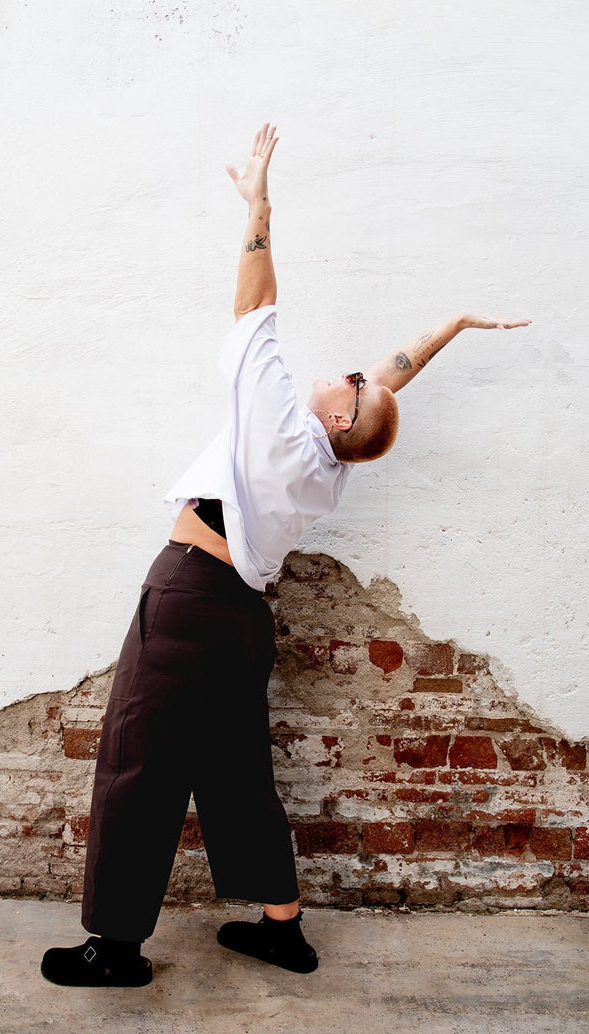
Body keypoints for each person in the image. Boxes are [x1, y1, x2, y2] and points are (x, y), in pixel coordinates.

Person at [41, 123, 530, 988]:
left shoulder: (279, 428)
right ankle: (282, 929)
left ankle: (114, 948)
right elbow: (387, 380)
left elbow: (254, 308)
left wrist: (260, 209)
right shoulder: (327, 462)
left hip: (190, 599)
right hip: (241, 622)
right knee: (236, 773)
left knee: (136, 760)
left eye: (352, 383)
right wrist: (453, 324)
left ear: (340, 417)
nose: (354, 372)